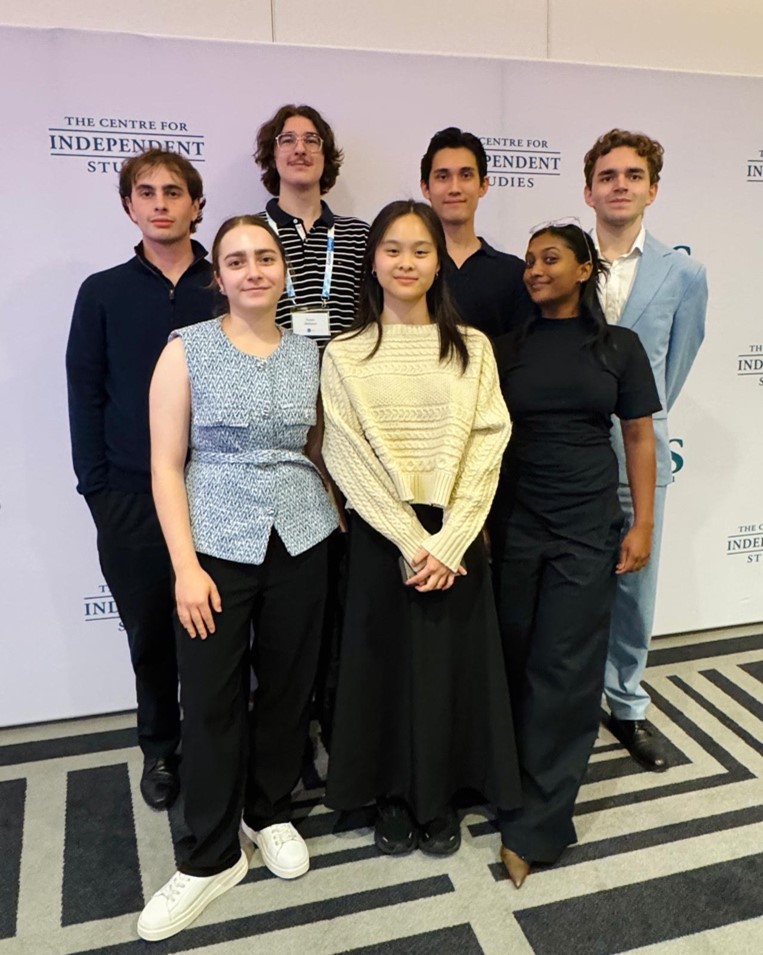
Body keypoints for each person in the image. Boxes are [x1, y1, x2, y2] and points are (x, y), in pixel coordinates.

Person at [139, 216, 338, 941]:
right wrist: (184, 567)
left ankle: (269, 808)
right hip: (215, 547)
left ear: (283, 270)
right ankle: (209, 855)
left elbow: (317, 442)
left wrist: (339, 508)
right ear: (216, 276)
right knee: (213, 698)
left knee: (288, 688)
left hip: (301, 537)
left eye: (264, 257)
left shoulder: (310, 354)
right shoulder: (185, 351)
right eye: (236, 261)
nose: (252, 270)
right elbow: (164, 464)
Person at [321, 200, 520, 857]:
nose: (405, 262)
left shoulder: (472, 347)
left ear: (439, 262)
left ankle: (440, 798)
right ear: (372, 260)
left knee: (446, 672)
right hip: (384, 534)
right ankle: (392, 796)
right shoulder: (345, 352)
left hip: (456, 537)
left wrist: (452, 535)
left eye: (420, 250)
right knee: (385, 670)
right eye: (392, 249)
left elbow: (489, 441)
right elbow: (344, 452)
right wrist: (411, 540)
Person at [489, 222, 661, 887]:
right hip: (512, 527)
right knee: (511, 658)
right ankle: (505, 782)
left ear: (585, 268)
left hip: (587, 526)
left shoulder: (619, 347)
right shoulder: (502, 349)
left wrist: (642, 523)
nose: (534, 269)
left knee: (564, 672)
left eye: (550, 257)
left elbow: (640, 438)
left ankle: (537, 825)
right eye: (529, 260)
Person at [65, 148, 216, 811]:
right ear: (129, 205)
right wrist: (98, 491)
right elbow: (84, 395)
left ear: (195, 205)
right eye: (146, 192)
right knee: (151, 636)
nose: (160, 202)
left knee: (220, 633)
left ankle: (219, 748)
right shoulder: (102, 291)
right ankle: (160, 750)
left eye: (174, 191)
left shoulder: (229, 283)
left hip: (220, 490)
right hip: (129, 496)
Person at [584, 130, 708, 771]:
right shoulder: (561, 261)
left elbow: (673, 371)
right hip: (568, 457)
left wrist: (639, 425)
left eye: (633, 175)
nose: (621, 184)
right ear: (589, 190)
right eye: (608, 175)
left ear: (652, 189)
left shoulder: (685, 274)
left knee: (636, 586)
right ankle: (572, 702)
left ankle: (627, 705)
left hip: (639, 451)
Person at [254, 104, 370, 744]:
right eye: (287, 140)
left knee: (342, 575)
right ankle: (286, 729)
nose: (301, 149)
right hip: (277, 416)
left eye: (313, 140)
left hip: (347, 418)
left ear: (327, 156)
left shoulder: (356, 234)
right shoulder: (250, 234)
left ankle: (338, 713)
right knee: (287, 584)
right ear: (271, 155)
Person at [420, 126, 532, 337]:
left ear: (483, 185)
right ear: (426, 187)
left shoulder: (513, 274)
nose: (455, 188)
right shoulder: (409, 269)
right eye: (443, 177)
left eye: (466, 175)